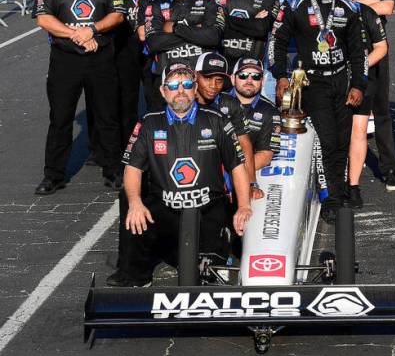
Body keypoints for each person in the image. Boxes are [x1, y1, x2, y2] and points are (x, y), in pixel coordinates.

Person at [106, 63, 250, 287]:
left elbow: (237, 166)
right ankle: (133, 274)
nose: (180, 90)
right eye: (173, 85)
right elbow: (132, 168)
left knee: (209, 273)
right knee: (129, 198)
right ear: (163, 92)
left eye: (187, 84)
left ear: (195, 90)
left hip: (207, 208)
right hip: (166, 210)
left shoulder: (217, 120)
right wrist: (135, 202)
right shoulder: (149, 123)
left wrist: (243, 206)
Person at [271, 0, 367, 213]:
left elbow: (360, 53)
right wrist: (280, 75)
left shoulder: (350, 7)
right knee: (326, 139)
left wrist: (358, 84)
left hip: (341, 80)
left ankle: (340, 189)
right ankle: (331, 199)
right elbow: (276, 43)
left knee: (341, 139)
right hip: (312, 82)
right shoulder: (295, 5)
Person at [33, 0, 125, 195]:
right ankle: (54, 175)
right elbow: (43, 18)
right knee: (60, 118)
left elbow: (118, 14)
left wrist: (93, 30)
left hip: (101, 58)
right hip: (65, 60)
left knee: (107, 116)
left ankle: (113, 171)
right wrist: (78, 34)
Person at [335, 0, 395, 191]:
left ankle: (388, 168)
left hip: (374, 45)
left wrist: (350, 1)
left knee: (381, 109)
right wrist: (370, 1)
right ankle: (343, 166)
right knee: (339, 111)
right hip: (338, 47)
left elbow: (387, 8)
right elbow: (328, 1)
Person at [335, 0, 388, 209]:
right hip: (329, 80)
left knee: (358, 129)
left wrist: (359, 66)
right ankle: (333, 184)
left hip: (361, 80)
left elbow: (382, 46)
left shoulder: (366, 12)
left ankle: (353, 185)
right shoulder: (321, 11)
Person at [144, 0, 225, 98]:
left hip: (202, 81)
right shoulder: (155, 3)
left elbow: (213, 37)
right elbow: (153, 42)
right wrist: (196, 30)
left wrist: (175, 27)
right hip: (166, 80)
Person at [111, 0, 155, 152]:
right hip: (124, 43)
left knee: (155, 98)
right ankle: (127, 151)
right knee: (126, 99)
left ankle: (156, 147)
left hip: (154, 43)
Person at [193, 51, 259, 200]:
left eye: (219, 80)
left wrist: (251, 183)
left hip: (223, 183)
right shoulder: (183, 104)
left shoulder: (231, 103)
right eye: (207, 78)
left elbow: (244, 144)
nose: (213, 86)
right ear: (196, 75)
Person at [138, 0, 174, 112]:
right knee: (156, 112)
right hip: (155, 62)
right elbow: (143, 34)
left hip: (187, 59)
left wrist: (163, 28)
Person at [231, 57, 281, 174]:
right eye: (243, 75)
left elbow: (265, 155)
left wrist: (234, 174)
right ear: (233, 79)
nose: (249, 80)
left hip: (245, 173)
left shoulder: (270, 111)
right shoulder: (217, 102)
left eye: (256, 76)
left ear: (262, 81)